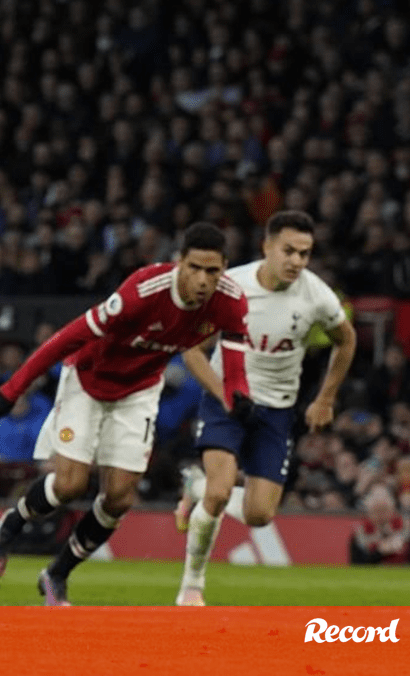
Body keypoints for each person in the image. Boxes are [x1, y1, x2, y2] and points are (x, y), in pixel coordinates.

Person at [0, 222, 252, 606]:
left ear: (224, 268)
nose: (203, 280)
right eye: (194, 268)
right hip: (88, 380)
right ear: (179, 263)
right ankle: (11, 524)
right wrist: (12, 389)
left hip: (138, 391)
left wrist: (238, 397)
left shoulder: (231, 301)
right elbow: (67, 337)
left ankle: (57, 573)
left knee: (120, 498)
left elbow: (236, 366)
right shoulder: (142, 292)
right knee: (70, 485)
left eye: (213, 270)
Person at [173, 211, 356, 605]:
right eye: (289, 250)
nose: (297, 261)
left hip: (278, 410)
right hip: (226, 399)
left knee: (260, 515)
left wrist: (326, 398)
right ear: (267, 247)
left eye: (305, 254)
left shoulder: (317, 296)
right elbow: (191, 349)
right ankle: (192, 586)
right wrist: (223, 393)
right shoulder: (230, 284)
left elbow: (347, 340)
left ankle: (195, 487)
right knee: (221, 493)